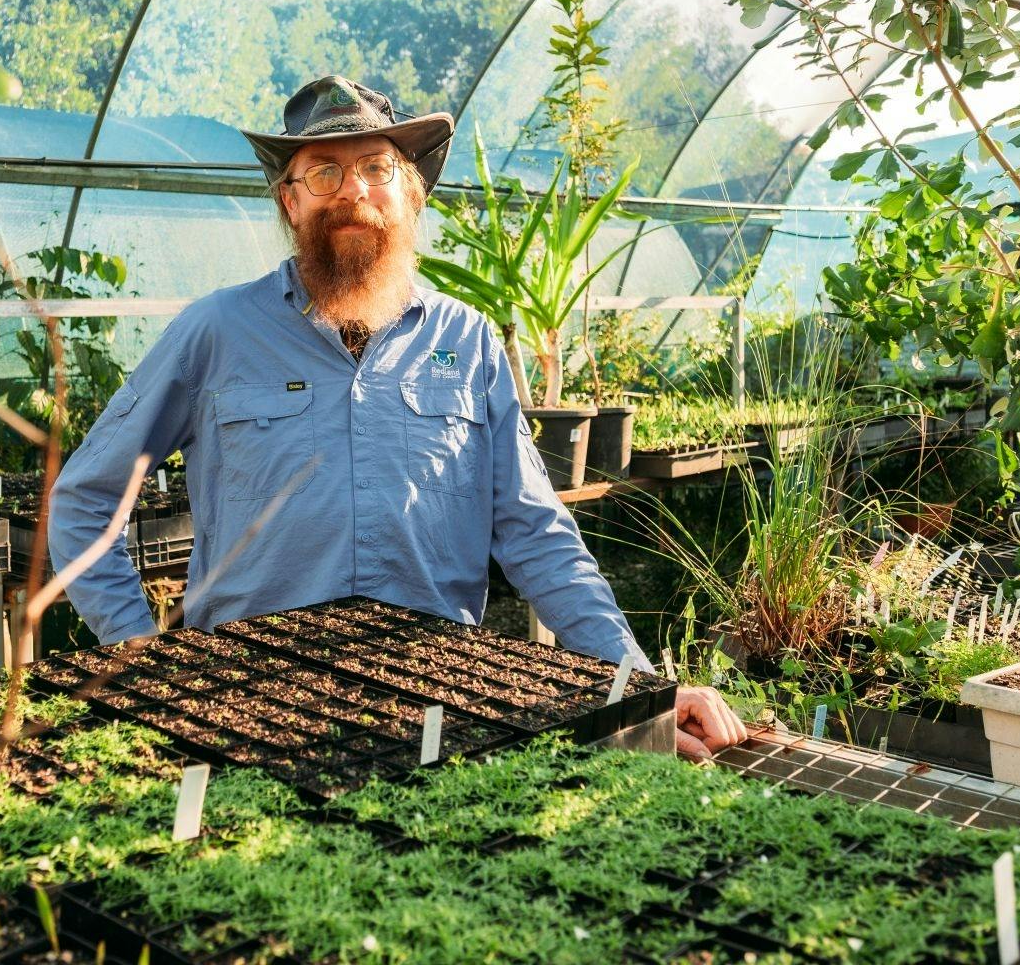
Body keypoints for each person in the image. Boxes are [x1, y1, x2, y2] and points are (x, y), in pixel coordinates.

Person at [48, 74, 744, 758]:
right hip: (246, 700)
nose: (353, 191)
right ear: (290, 204)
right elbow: (85, 498)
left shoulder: (466, 341)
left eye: (376, 168)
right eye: (322, 172)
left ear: (412, 195)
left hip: (438, 704)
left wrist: (641, 688)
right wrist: (139, 657)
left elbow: (534, 530)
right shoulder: (217, 333)